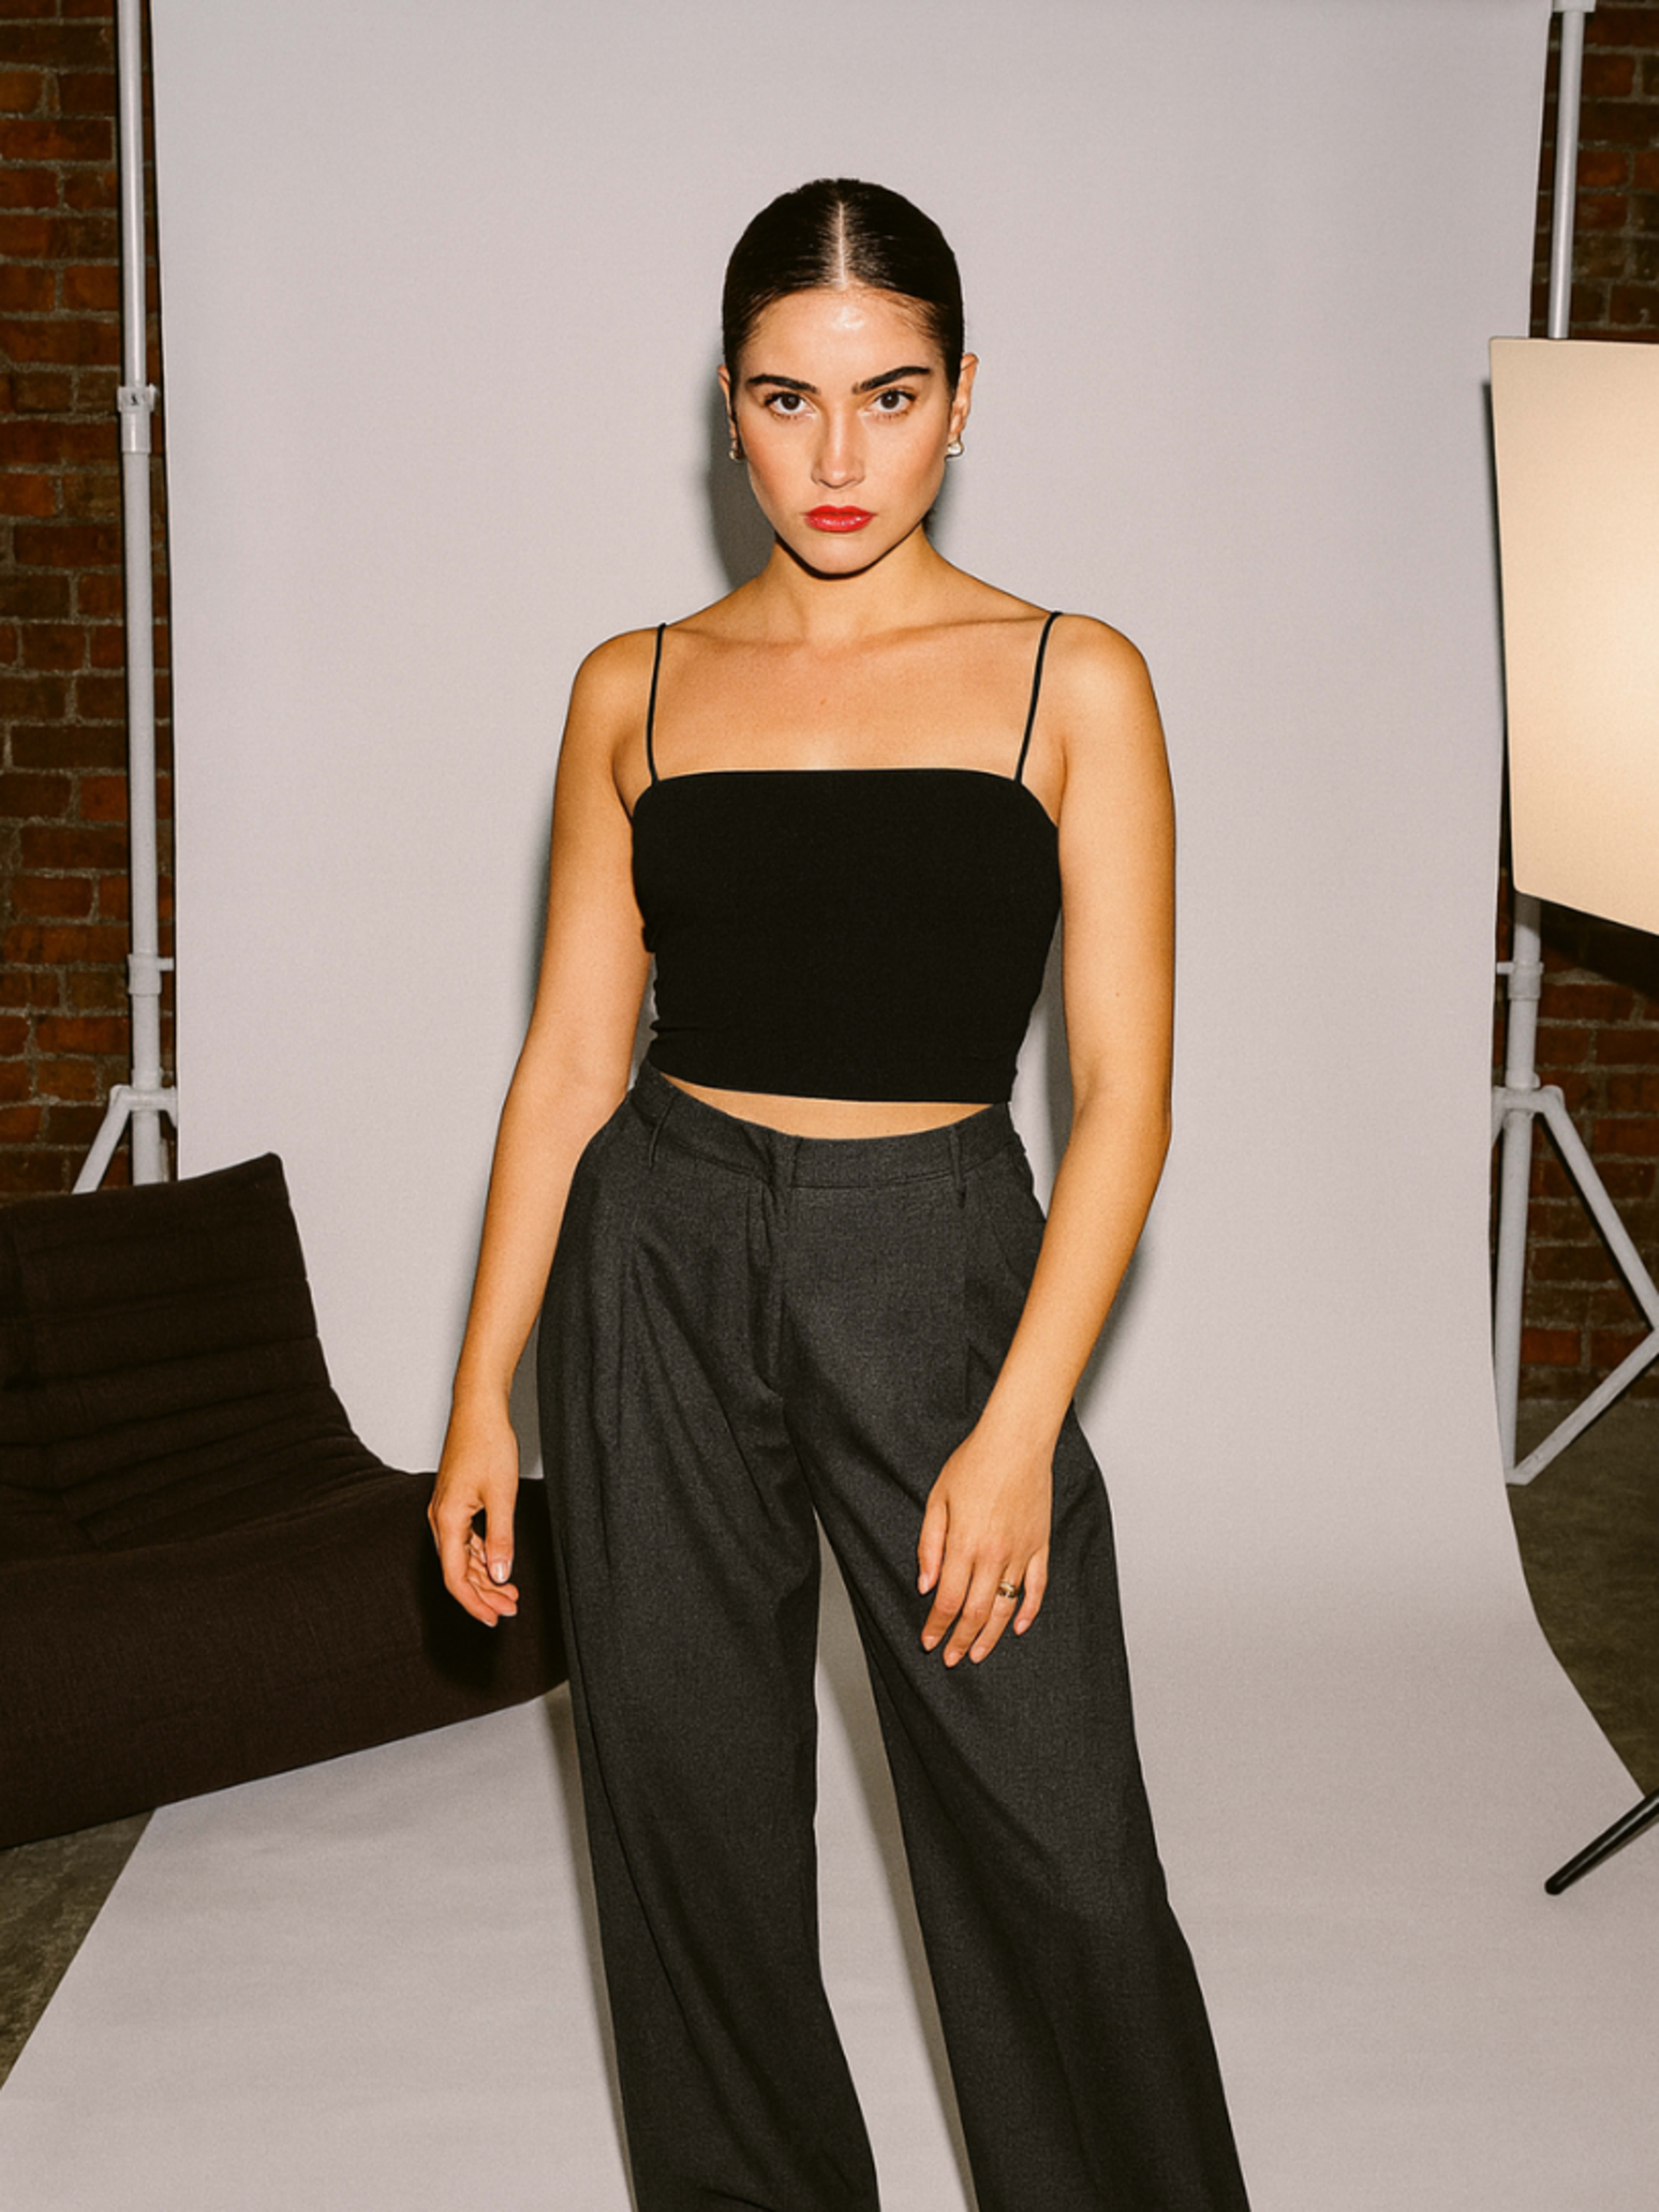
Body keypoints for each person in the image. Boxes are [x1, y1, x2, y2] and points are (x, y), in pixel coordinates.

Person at [429, 177, 1250, 2212]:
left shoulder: (1074, 678)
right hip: (658, 1268)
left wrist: (1022, 1420)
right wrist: (477, 1394)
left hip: (943, 1270)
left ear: (965, 399)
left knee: (1059, 1852)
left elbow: (1128, 1096)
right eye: (790, 402)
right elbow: (562, 1064)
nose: (839, 456)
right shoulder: (633, 685)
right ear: (731, 408)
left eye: (888, 397)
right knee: (688, 1829)